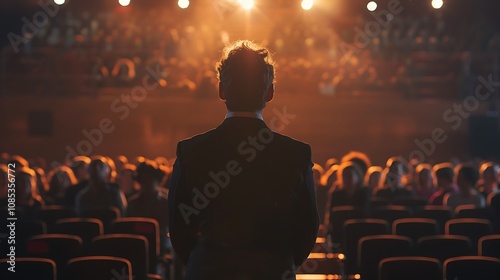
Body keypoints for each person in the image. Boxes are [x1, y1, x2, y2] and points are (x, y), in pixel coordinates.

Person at [168, 40, 319, 280]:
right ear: (270, 92)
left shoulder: (190, 151)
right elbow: (307, 229)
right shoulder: (296, 154)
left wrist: (205, 263)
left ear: (221, 90)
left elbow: (178, 228)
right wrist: (280, 264)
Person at [128, 160, 169, 252]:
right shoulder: (132, 204)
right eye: (143, 180)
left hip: (161, 246)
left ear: (157, 180)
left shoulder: (166, 203)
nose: (147, 184)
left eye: (150, 179)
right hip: (137, 248)